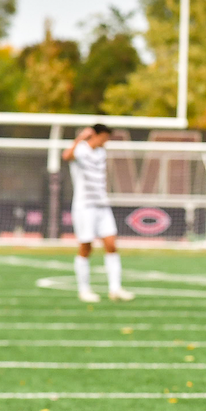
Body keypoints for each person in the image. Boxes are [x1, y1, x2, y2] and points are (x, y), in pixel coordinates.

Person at [62, 124, 134, 303]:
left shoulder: (101, 153)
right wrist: (80, 137)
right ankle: (84, 290)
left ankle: (115, 289)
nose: (107, 141)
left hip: (102, 205)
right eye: (105, 137)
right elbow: (66, 156)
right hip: (85, 206)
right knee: (86, 247)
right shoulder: (81, 149)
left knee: (111, 245)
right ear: (97, 135)